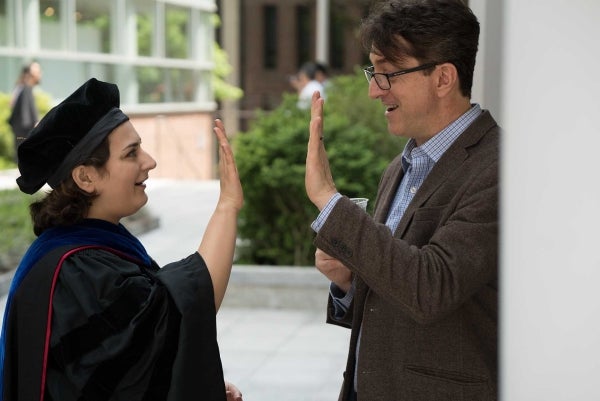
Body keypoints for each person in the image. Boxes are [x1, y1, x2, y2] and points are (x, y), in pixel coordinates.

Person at [0, 78, 244, 401]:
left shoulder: (84, 248)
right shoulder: (78, 272)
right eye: (132, 153)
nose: (149, 161)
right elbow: (171, 319)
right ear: (85, 177)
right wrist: (227, 206)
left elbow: (132, 372)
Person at [304, 1, 499, 400]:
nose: (374, 90)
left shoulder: (498, 166)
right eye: (373, 73)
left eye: (388, 74)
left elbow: (431, 288)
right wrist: (348, 283)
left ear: (443, 77)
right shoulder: (399, 166)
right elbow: (395, 284)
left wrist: (328, 198)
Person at [8, 61, 42, 160]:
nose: (40, 74)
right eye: (37, 71)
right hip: (24, 132)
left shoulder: (22, 88)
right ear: (29, 74)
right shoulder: (25, 89)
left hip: (21, 132)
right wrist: (36, 124)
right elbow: (25, 118)